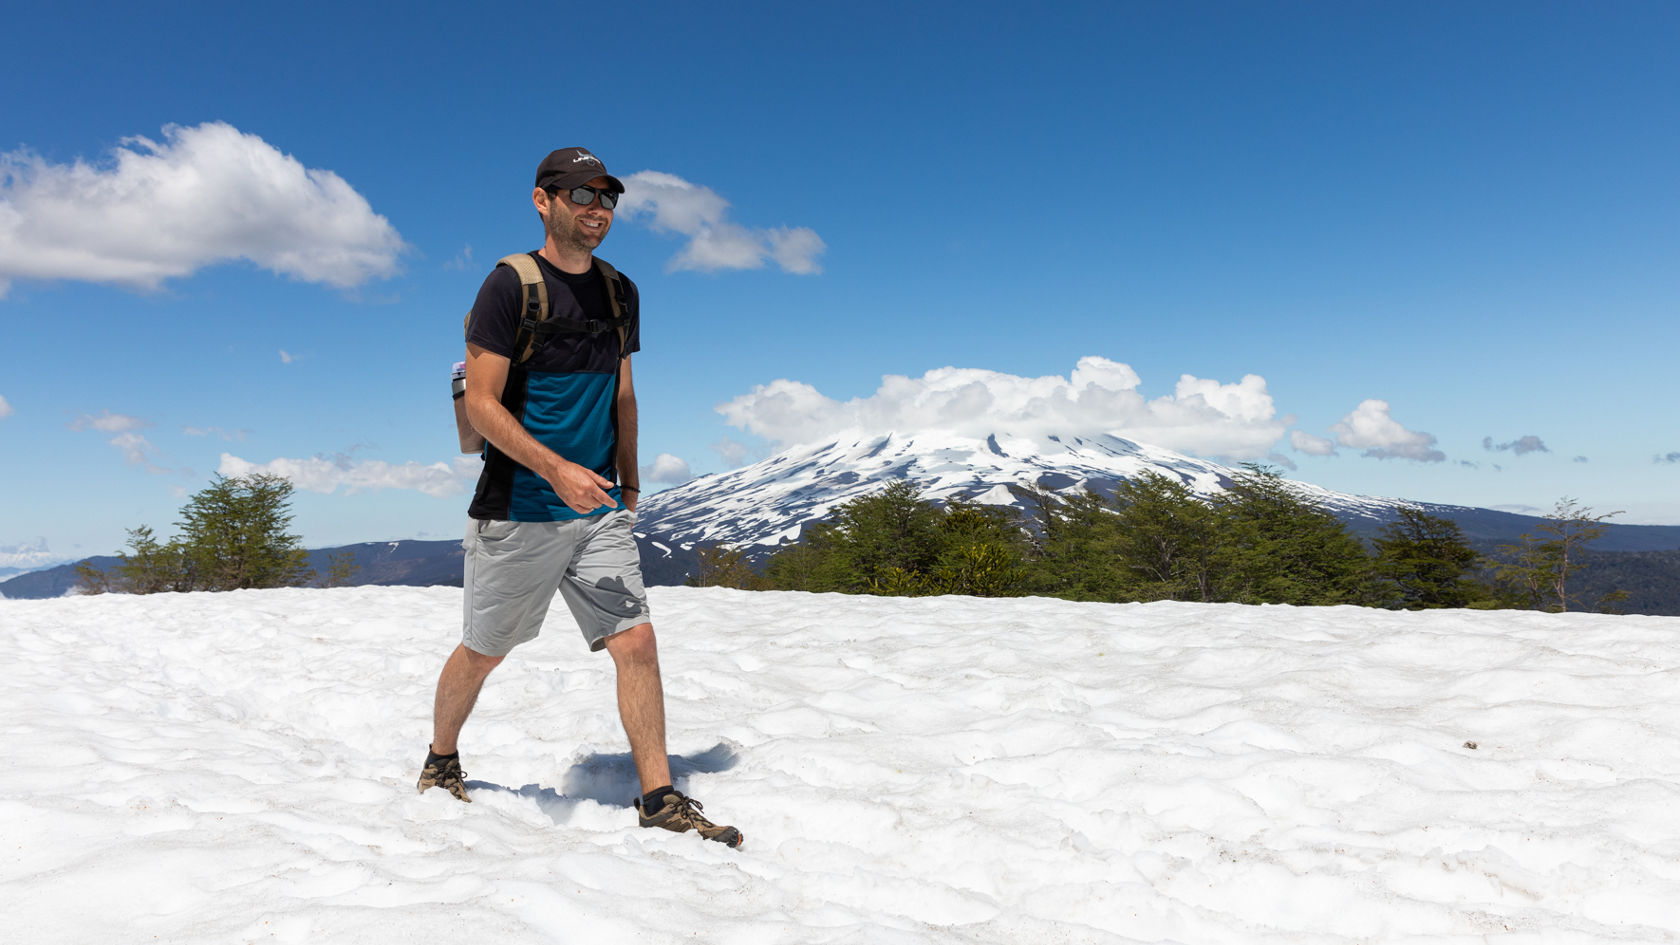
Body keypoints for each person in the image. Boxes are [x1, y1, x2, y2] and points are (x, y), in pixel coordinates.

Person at [418, 147, 740, 849]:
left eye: (607, 198)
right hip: (519, 509)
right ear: (544, 200)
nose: (598, 209)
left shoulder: (621, 292)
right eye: (582, 195)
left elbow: (622, 391)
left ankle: (658, 797)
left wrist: (626, 481)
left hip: (597, 511)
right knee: (483, 649)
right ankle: (441, 758)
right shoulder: (509, 286)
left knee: (638, 642)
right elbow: (479, 405)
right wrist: (556, 468)